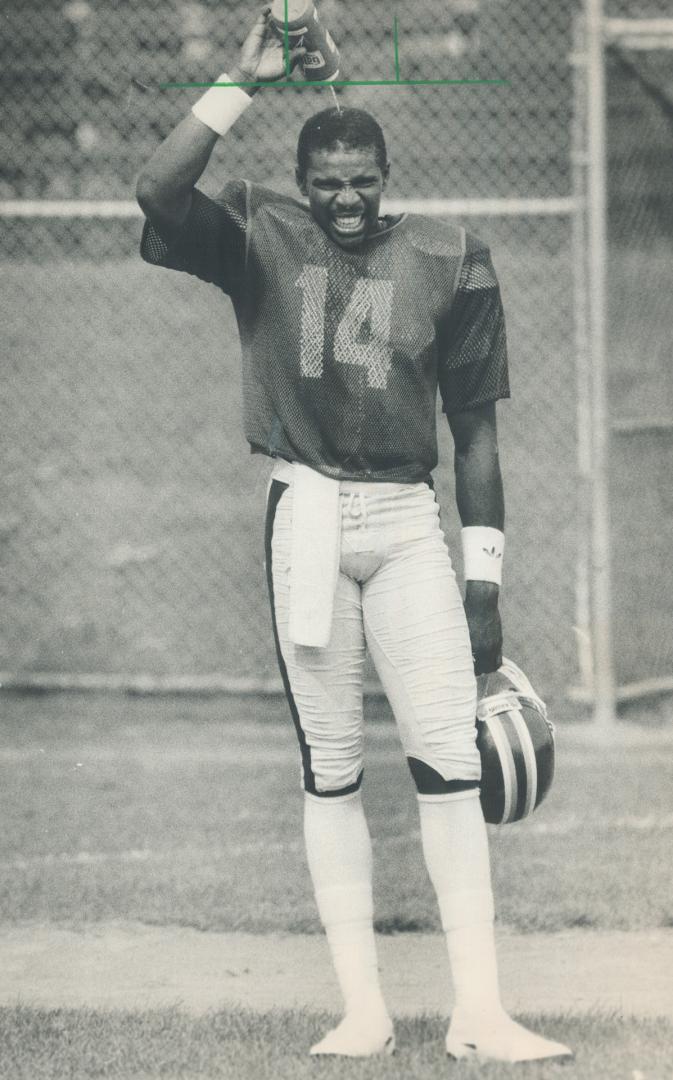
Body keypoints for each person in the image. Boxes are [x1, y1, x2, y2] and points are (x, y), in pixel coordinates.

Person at [136, 6, 572, 1064]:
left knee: (445, 759)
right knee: (330, 766)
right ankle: (362, 1008)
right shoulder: (261, 233)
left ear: (384, 173)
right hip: (308, 514)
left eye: (360, 178)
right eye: (325, 179)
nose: (343, 196)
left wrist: (485, 575)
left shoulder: (447, 257)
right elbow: (156, 191)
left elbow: (475, 435)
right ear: (304, 178)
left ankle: (478, 1012)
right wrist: (241, 81)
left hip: (408, 522)